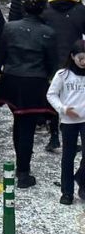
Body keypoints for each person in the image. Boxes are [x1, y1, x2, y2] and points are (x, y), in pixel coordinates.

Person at [0, 0, 59, 188]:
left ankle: (21, 164)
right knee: (27, 127)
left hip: (12, 78)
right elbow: (52, 64)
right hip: (34, 81)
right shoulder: (48, 33)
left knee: (19, 121)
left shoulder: (10, 28)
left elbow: (1, 54)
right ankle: (23, 171)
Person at [47, 42, 85, 205]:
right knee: (68, 157)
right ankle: (67, 192)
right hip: (69, 121)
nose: (83, 62)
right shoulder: (63, 75)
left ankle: (82, 182)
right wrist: (62, 109)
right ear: (72, 56)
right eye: (80, 58)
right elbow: (52, 94)